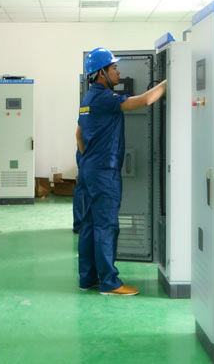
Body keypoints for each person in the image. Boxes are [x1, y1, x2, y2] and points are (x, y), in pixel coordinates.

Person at [76, 47, 166, 296]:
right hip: (105, 172)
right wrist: (171, 80)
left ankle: (87, 278)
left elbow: (79, 136)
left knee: (90, 224)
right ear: (101, 73)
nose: (118, 71)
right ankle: (109, 282)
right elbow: (144, 101)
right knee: (106, 226)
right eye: (114, 67)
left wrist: (90, 161)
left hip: (90, 169)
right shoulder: (105, 98)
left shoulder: (88, 99)